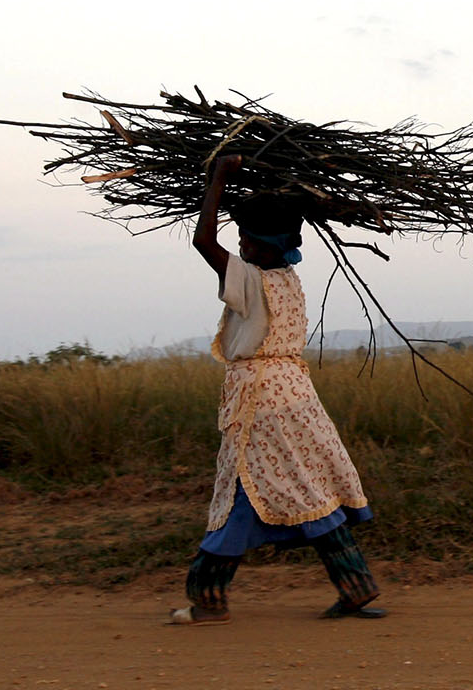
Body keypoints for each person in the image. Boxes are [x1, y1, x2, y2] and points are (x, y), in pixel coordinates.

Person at [169, 154, 385, 624]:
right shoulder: (288, 279)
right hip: (295, 398)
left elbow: (203, 240)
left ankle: (208, 598)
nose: (240, 243)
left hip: (261, 405)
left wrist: (219, 177)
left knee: (240, 493)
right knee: (307, 486)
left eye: (246, 237)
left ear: (265, 248)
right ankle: (356, 585)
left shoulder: (249, 279)